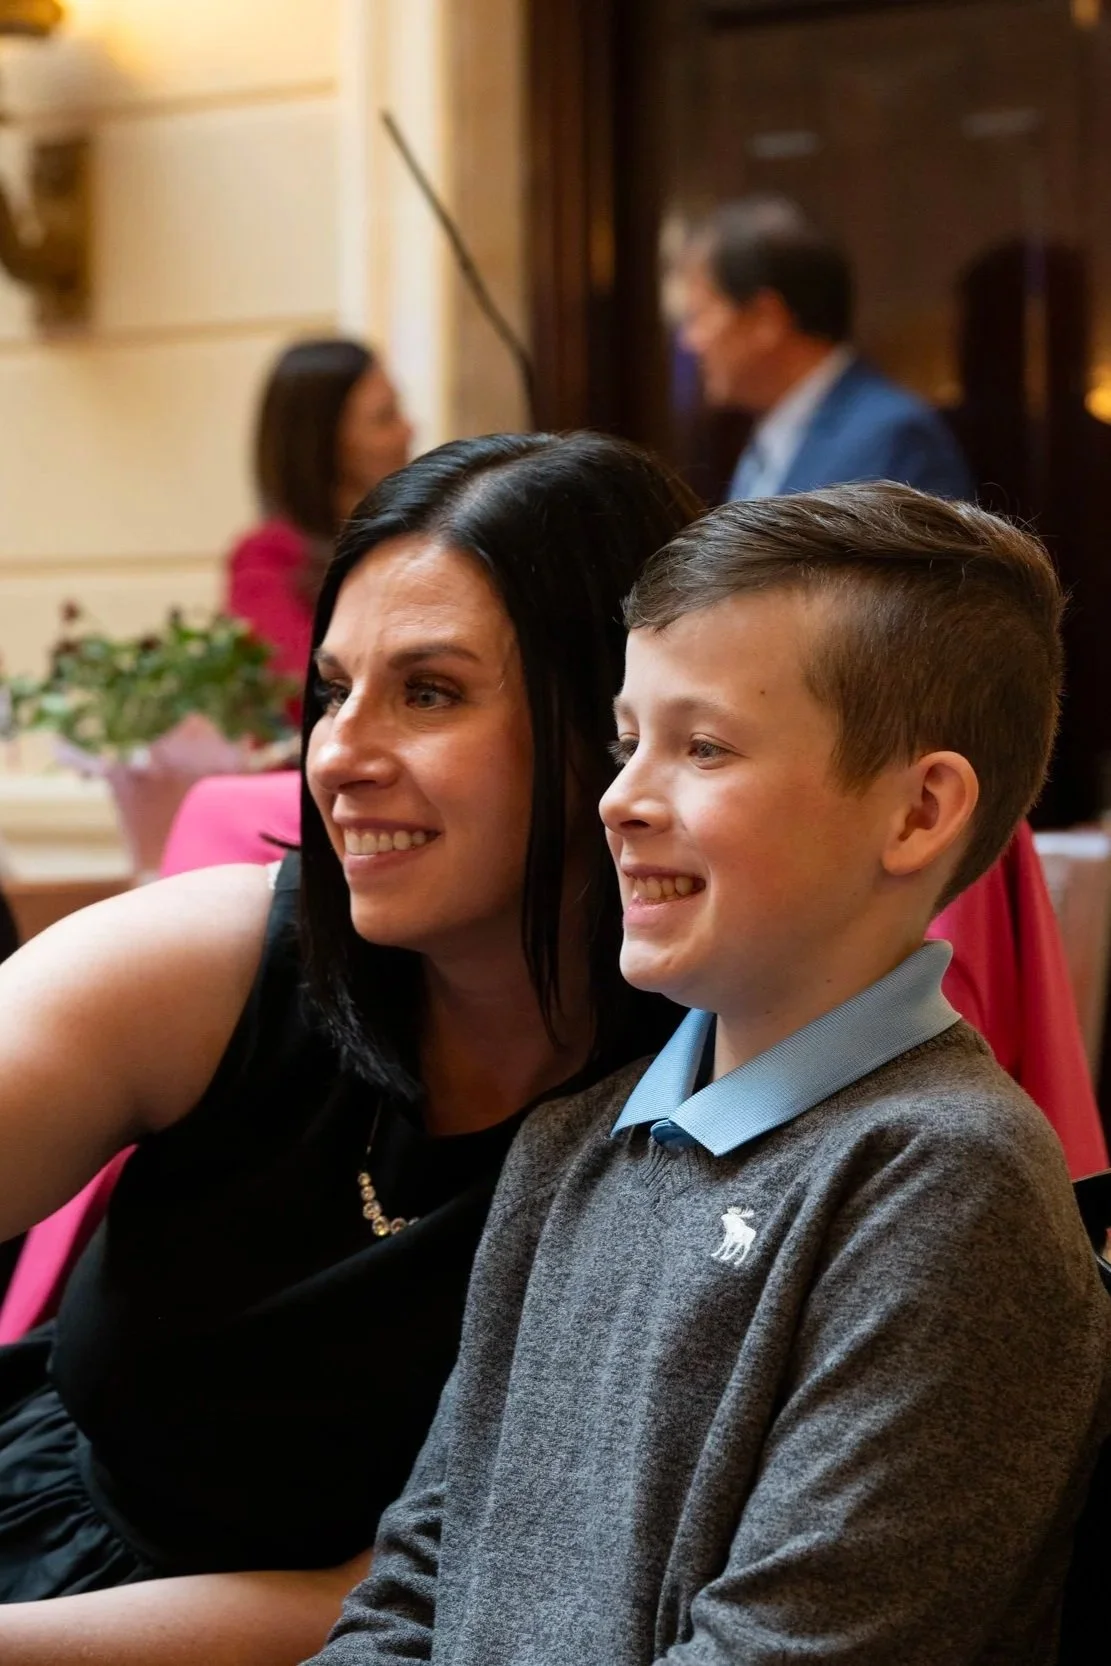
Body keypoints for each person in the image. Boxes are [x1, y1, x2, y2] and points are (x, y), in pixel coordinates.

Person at [314, 483, 1111, 1666]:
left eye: (702, 747)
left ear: (920, 810)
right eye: (628, 740)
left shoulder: (943, 1182)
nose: (621, 799)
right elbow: (418, 1586)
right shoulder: (571, 1146)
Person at [0, 433, 700, 1666]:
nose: (337, 754)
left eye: (428, 691)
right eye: (332, 689)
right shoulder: (210, 960)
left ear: (616, 729)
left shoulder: (707, 1128)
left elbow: (394, 1600)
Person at [678, 196, 973, 503]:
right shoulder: (770, 431)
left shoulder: (892, 437)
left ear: (766, 319)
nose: (690, 340)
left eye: (699, 316)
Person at [226, 339, 413, 687]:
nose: (408, 430)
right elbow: (304, 684)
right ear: (326, 440)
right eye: (385, 418)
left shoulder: (415, 539)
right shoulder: (266, 560)